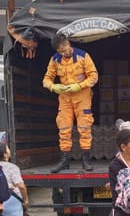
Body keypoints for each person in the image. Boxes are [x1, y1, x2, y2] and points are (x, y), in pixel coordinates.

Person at [42, 34, 98, 173]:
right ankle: (64, 161)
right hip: (65, 98)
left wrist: (79, 86)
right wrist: (53, 87)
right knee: (64, 128)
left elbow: (94, 76)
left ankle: (86, 160)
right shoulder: (55, 60)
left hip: (82, 96)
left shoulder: (83, 56)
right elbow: (46, 79)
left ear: (68, 43)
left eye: (64, 49)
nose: (63, 53)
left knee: (84, 127)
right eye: (59, 51)